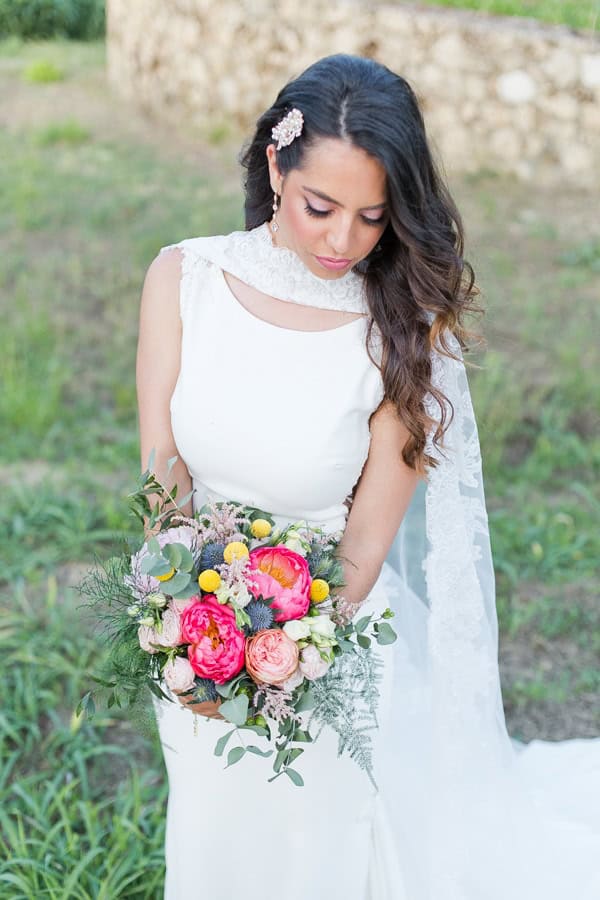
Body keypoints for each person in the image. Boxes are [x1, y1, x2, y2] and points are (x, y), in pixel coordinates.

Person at [136, 54, 600, 900]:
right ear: (276, 166)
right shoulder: (183, 278)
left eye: (371, 217)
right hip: (190, 629)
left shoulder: (403, 334)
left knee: (317, 849)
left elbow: (367, 540)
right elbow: (162, 465)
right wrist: (184, 614)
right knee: (209, 836)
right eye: (320, 207)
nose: (342, 241)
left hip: (327, 640)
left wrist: (280, 656)